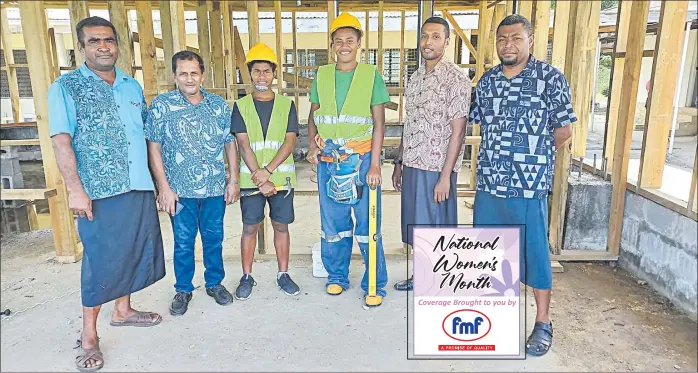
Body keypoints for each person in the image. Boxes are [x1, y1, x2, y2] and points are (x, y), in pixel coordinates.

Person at [48, 16, 166, 372]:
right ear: (81, 47)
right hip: (98, 191)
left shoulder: (131, 87)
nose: (103, 46)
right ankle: (88, 336)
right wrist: (75, 191)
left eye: (109, 40)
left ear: (117, 46)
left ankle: (123, 310)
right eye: (95, 41)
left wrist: (160, 184)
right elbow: (61, 141)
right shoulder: (67, 87)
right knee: (100, 259)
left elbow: (146, 139)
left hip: (137, 184)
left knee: (132, 250)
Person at [469, 14, 576, 357]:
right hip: (489, 184)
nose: (508, 45)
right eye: (502, 40)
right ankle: (496, 319)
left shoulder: (550, 79)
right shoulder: (486, 83)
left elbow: (563, 131)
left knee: (534, 254)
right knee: (490, 255)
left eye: (515, 38)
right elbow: (476, 123)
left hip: (529, 187)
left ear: (530, 40)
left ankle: (543, 322)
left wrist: (531, 157)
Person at [145, 50, 240, 316]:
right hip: (179, 190)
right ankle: (183, 289)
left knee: (214, 239)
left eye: (194, 73)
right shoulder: (162, 106)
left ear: (202, 75)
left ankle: (214, 283)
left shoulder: (218, 105)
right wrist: (163, 187)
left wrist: (233, 180)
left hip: (213, 188)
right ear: (174, 75)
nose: (189, 78)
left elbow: (229, 143)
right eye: (183, 73)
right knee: (183, 242)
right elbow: (154, 147)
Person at [306, 12, 391, 308]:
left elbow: (380, 124)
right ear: (332, 44)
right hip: (330, 161)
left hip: (363, 160)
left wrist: (377, 164)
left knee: (368, 226)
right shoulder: (322, 75)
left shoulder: (371, 76)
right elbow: (314, 114)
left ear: (358, 44)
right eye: (338, 40)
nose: (344, 45)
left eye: (350, 40)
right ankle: (337, 277)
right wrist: (313, 145)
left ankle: (375, 282)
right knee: (333, 225)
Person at [392, 16, 471, 292]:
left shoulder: (456, 79)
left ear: (447, 42)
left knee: (437, 227)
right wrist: (399, 162)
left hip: (437, 168)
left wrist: (446, 176)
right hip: (413, 164)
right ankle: (421, 276)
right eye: (425, 36)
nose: (428, 42)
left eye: (436, 36)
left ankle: (441, 281)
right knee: (417, 225)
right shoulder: (415, 79)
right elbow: (409, 122)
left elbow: (458, 132)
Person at [230, 42, 301, 300]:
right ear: (250, 74)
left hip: (280, 180)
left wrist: (267, 172)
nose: (262, 76)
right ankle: (247, 276)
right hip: (253, 181)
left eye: (267, 71)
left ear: (274, 74)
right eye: (257, 71)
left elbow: (290, 141)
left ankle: (283, 274)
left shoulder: (286, 105)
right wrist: (260, 179)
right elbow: (243, 143)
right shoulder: (241, 106)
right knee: (250, 228)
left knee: (281, 227)